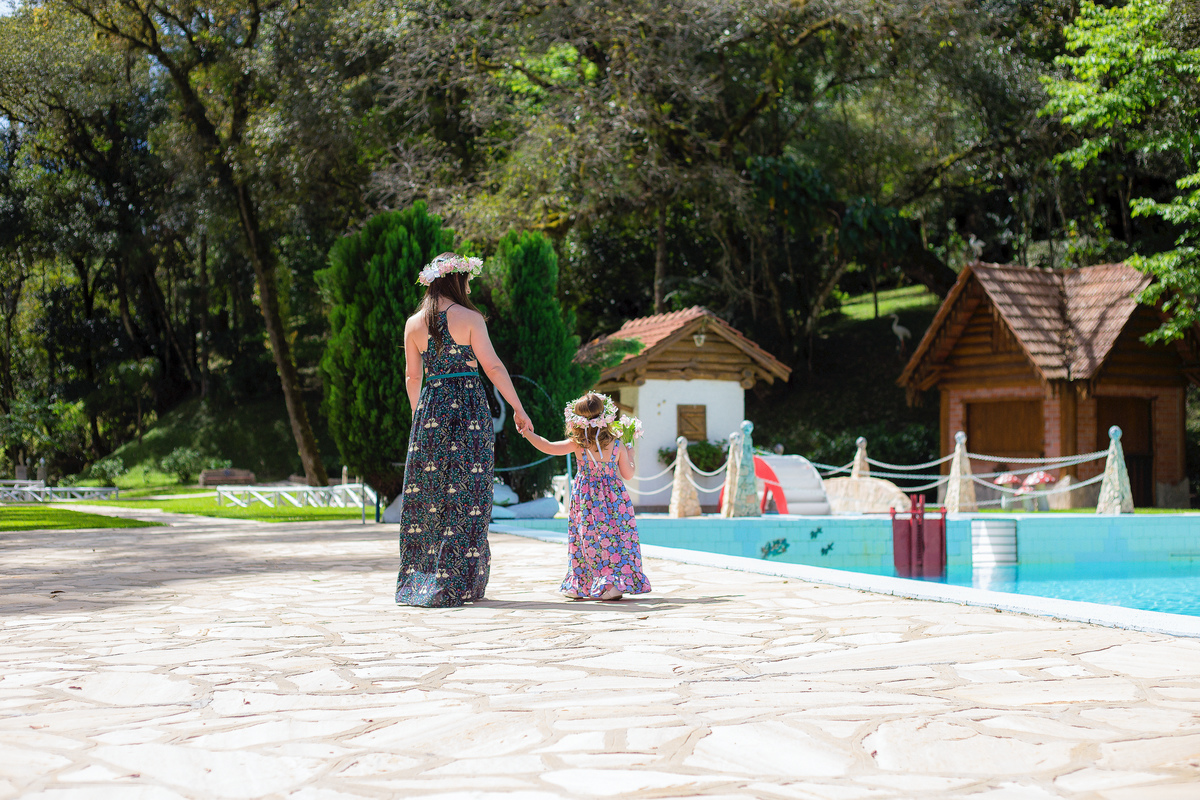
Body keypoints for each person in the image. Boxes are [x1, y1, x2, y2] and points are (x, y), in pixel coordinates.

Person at [395, 252, 532, 608]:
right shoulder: (470, 318)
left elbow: (413, 377)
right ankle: (460, 583)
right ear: (455, 279)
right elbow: (494, 367)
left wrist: (419, 417)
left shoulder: (413, 323)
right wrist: (518, 408)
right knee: (469, 496)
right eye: (468, 278)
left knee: (430, 497)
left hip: (431, 409)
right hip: (469, 410)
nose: (470, 285)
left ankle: (420, 582)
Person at [520, 392, 650, 601]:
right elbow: (628, 474)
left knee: (588, 538)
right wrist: (631, 454)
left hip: (587, 499)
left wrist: (528, 434)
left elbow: (549, 446)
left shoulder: (578, 444)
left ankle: (582, 583)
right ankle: (612, 584)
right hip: (614, 499)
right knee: (616, 539)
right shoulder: (616, 445)